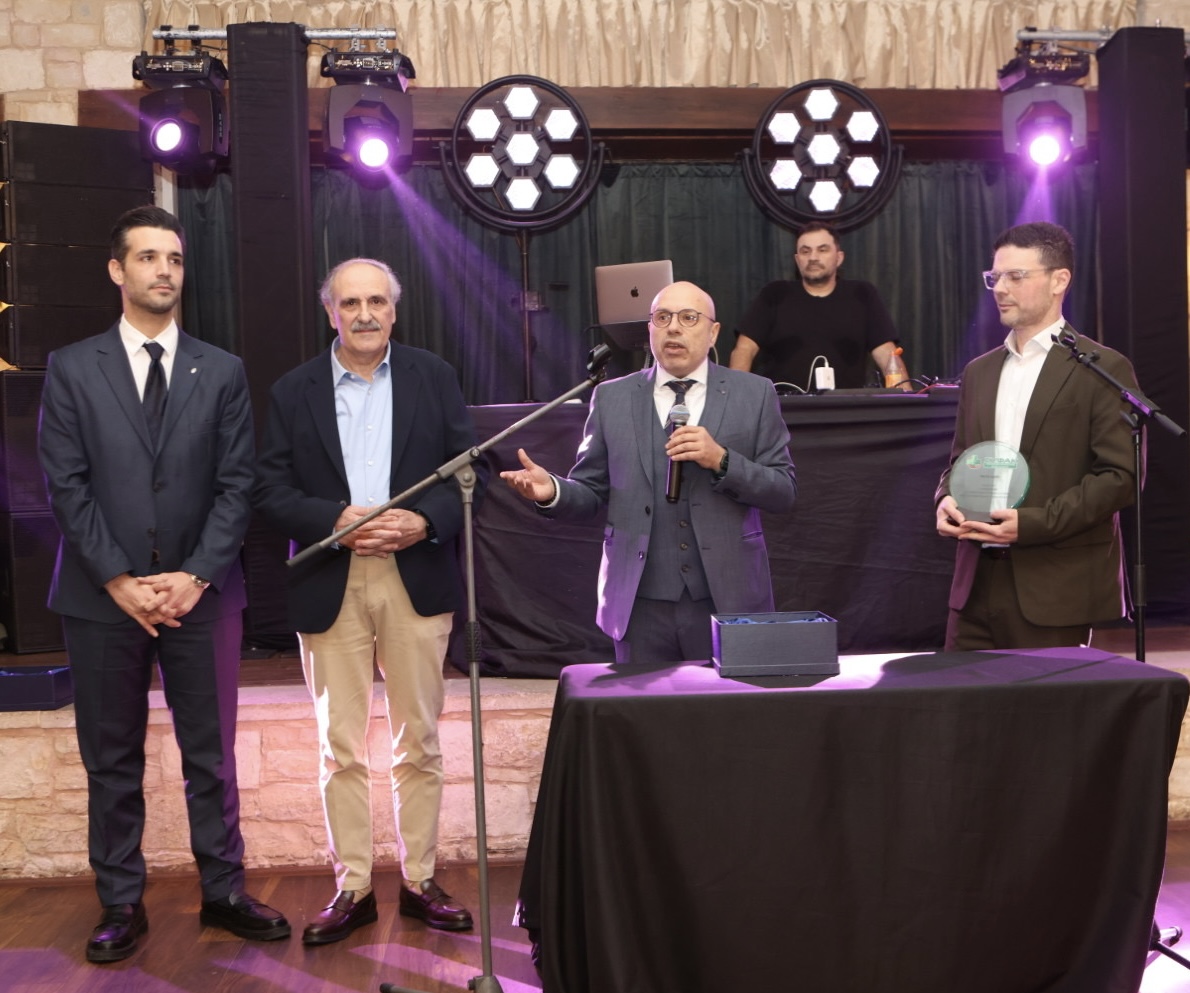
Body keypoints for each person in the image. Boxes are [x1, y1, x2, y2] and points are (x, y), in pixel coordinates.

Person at [36, 205, 289, 963]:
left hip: (200, 598)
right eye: (148, 257)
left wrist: (197, 574)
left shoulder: (223, 369)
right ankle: (120, 902)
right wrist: (117, 576)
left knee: (210, 755)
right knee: (111, 758)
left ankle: (224, 891)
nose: (164, 271)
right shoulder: (72, 367)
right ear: (118, 270)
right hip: (100, 599)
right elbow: (65, 484)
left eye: (174, 259)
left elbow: (238, 484)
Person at [252, 258, 485, 945]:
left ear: (393, 309)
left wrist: (422, 521)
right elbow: (269, 489)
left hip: (414, 573)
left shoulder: (433, 377)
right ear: (330, 312)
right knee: (339, 746)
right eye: (350, 303)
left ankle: (420, 880)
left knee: (421, 739)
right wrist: (334, 519)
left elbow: (468, 471)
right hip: (332, 576)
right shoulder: (293, 390)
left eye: (376, 301)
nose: (364, 314)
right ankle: (351, 887)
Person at [501, 280, 796, 664]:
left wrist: (722, 460)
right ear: (650, 329)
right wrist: (553, 491)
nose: (673, 328)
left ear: (713, 332)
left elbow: (783, 490)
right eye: (662, 318)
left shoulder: (754, 394)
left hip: (728, 597)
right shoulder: (612, 397)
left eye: (688, 318)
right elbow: (591, 489)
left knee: (727, 704)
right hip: (638, 602)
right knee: (640, 702)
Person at [934, 221, 1139, 650]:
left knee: (1046, 697)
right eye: (995, 277)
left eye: (1016, 276)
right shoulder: (979, 372)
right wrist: (946, 499)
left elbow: (1120, 478)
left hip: (1055, 586)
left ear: (1059, 280)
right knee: (960, 694)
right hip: (974, 587)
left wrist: (1031, 525)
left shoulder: (1101, 368)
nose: (1000, 289)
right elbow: (962, 460)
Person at [730, 221, 906, 390]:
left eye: (822, 250)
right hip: (782, 406)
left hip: (848, 405)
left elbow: (887, 355)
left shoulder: (862, 294)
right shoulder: (775, 294)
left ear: (839, 258)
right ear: (797, 260)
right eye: (805, 251)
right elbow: (744, 349)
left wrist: (906, 401)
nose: (813, 258)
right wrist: (734, 400)